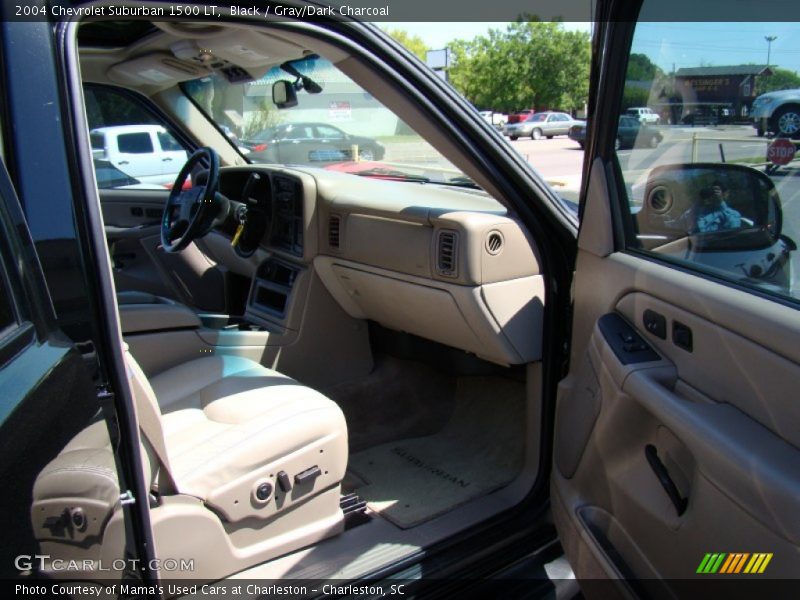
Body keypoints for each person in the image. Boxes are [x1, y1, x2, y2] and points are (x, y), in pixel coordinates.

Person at [671, 180, 742, 233]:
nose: (713, 194)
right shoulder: (697, 211)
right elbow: (677, 224)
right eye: (711, 191)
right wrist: (699, 202)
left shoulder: (733, 214)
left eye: (716, 191)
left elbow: (734, 230)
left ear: (725, 194)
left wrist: (720, 202)